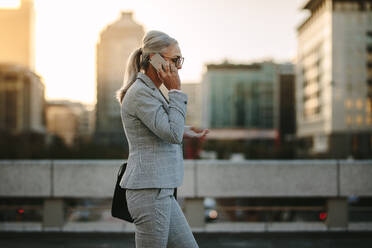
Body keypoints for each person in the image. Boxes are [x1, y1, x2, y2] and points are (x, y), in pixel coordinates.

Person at [116, 30, 208, 248]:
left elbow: (161, 127)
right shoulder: (140, 93)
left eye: (180, 60)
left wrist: (186, 129)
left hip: (160, 190)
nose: (180, 66)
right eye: (175, 60)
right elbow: (171, 135)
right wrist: (176, 91)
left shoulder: (151, 91)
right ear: (154, 59)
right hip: (149, 191)